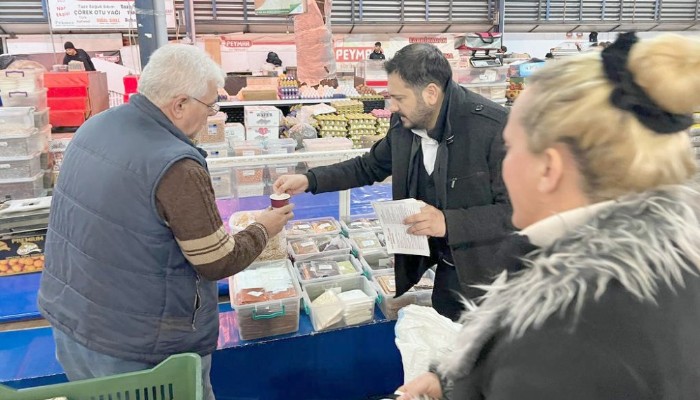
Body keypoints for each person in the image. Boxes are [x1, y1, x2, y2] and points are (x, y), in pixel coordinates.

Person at [398, 32, 700, 400]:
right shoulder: (669, 266)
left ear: (548, 169)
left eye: (512, 149)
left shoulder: (559, 337)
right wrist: (454, 381)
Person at [38, 44, 294, 400]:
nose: (211, 117)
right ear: (179, 105)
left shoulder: (95, 126)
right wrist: (264, 226)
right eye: (209, 107)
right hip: (142, 350)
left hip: (73, 323)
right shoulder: (176, 165)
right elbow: (216, 261)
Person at [274, 43, 511, 321]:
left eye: (399, 98)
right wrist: (309, 179)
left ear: (431, 93)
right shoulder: (404, 124)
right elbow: (369, 166)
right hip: (445, 274)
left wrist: (449, 222)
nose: (392, 106)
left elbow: (519, 213)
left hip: (490, 282)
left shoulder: (494, 130)